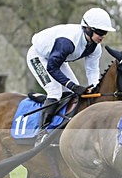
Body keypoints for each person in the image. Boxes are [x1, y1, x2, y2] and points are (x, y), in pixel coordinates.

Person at [27, 7, 116, 141]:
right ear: (88, 28)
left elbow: (92, 71)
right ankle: (41, 133)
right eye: (100, 32)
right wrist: (74, 86)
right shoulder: (67, 42)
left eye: (105, 33)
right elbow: (52, 68)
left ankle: (60, 125)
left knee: (72, 94)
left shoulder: (95, 47)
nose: (102, 36)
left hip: (56, 60)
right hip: (38, 56)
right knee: (55, 91)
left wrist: (94, 88)